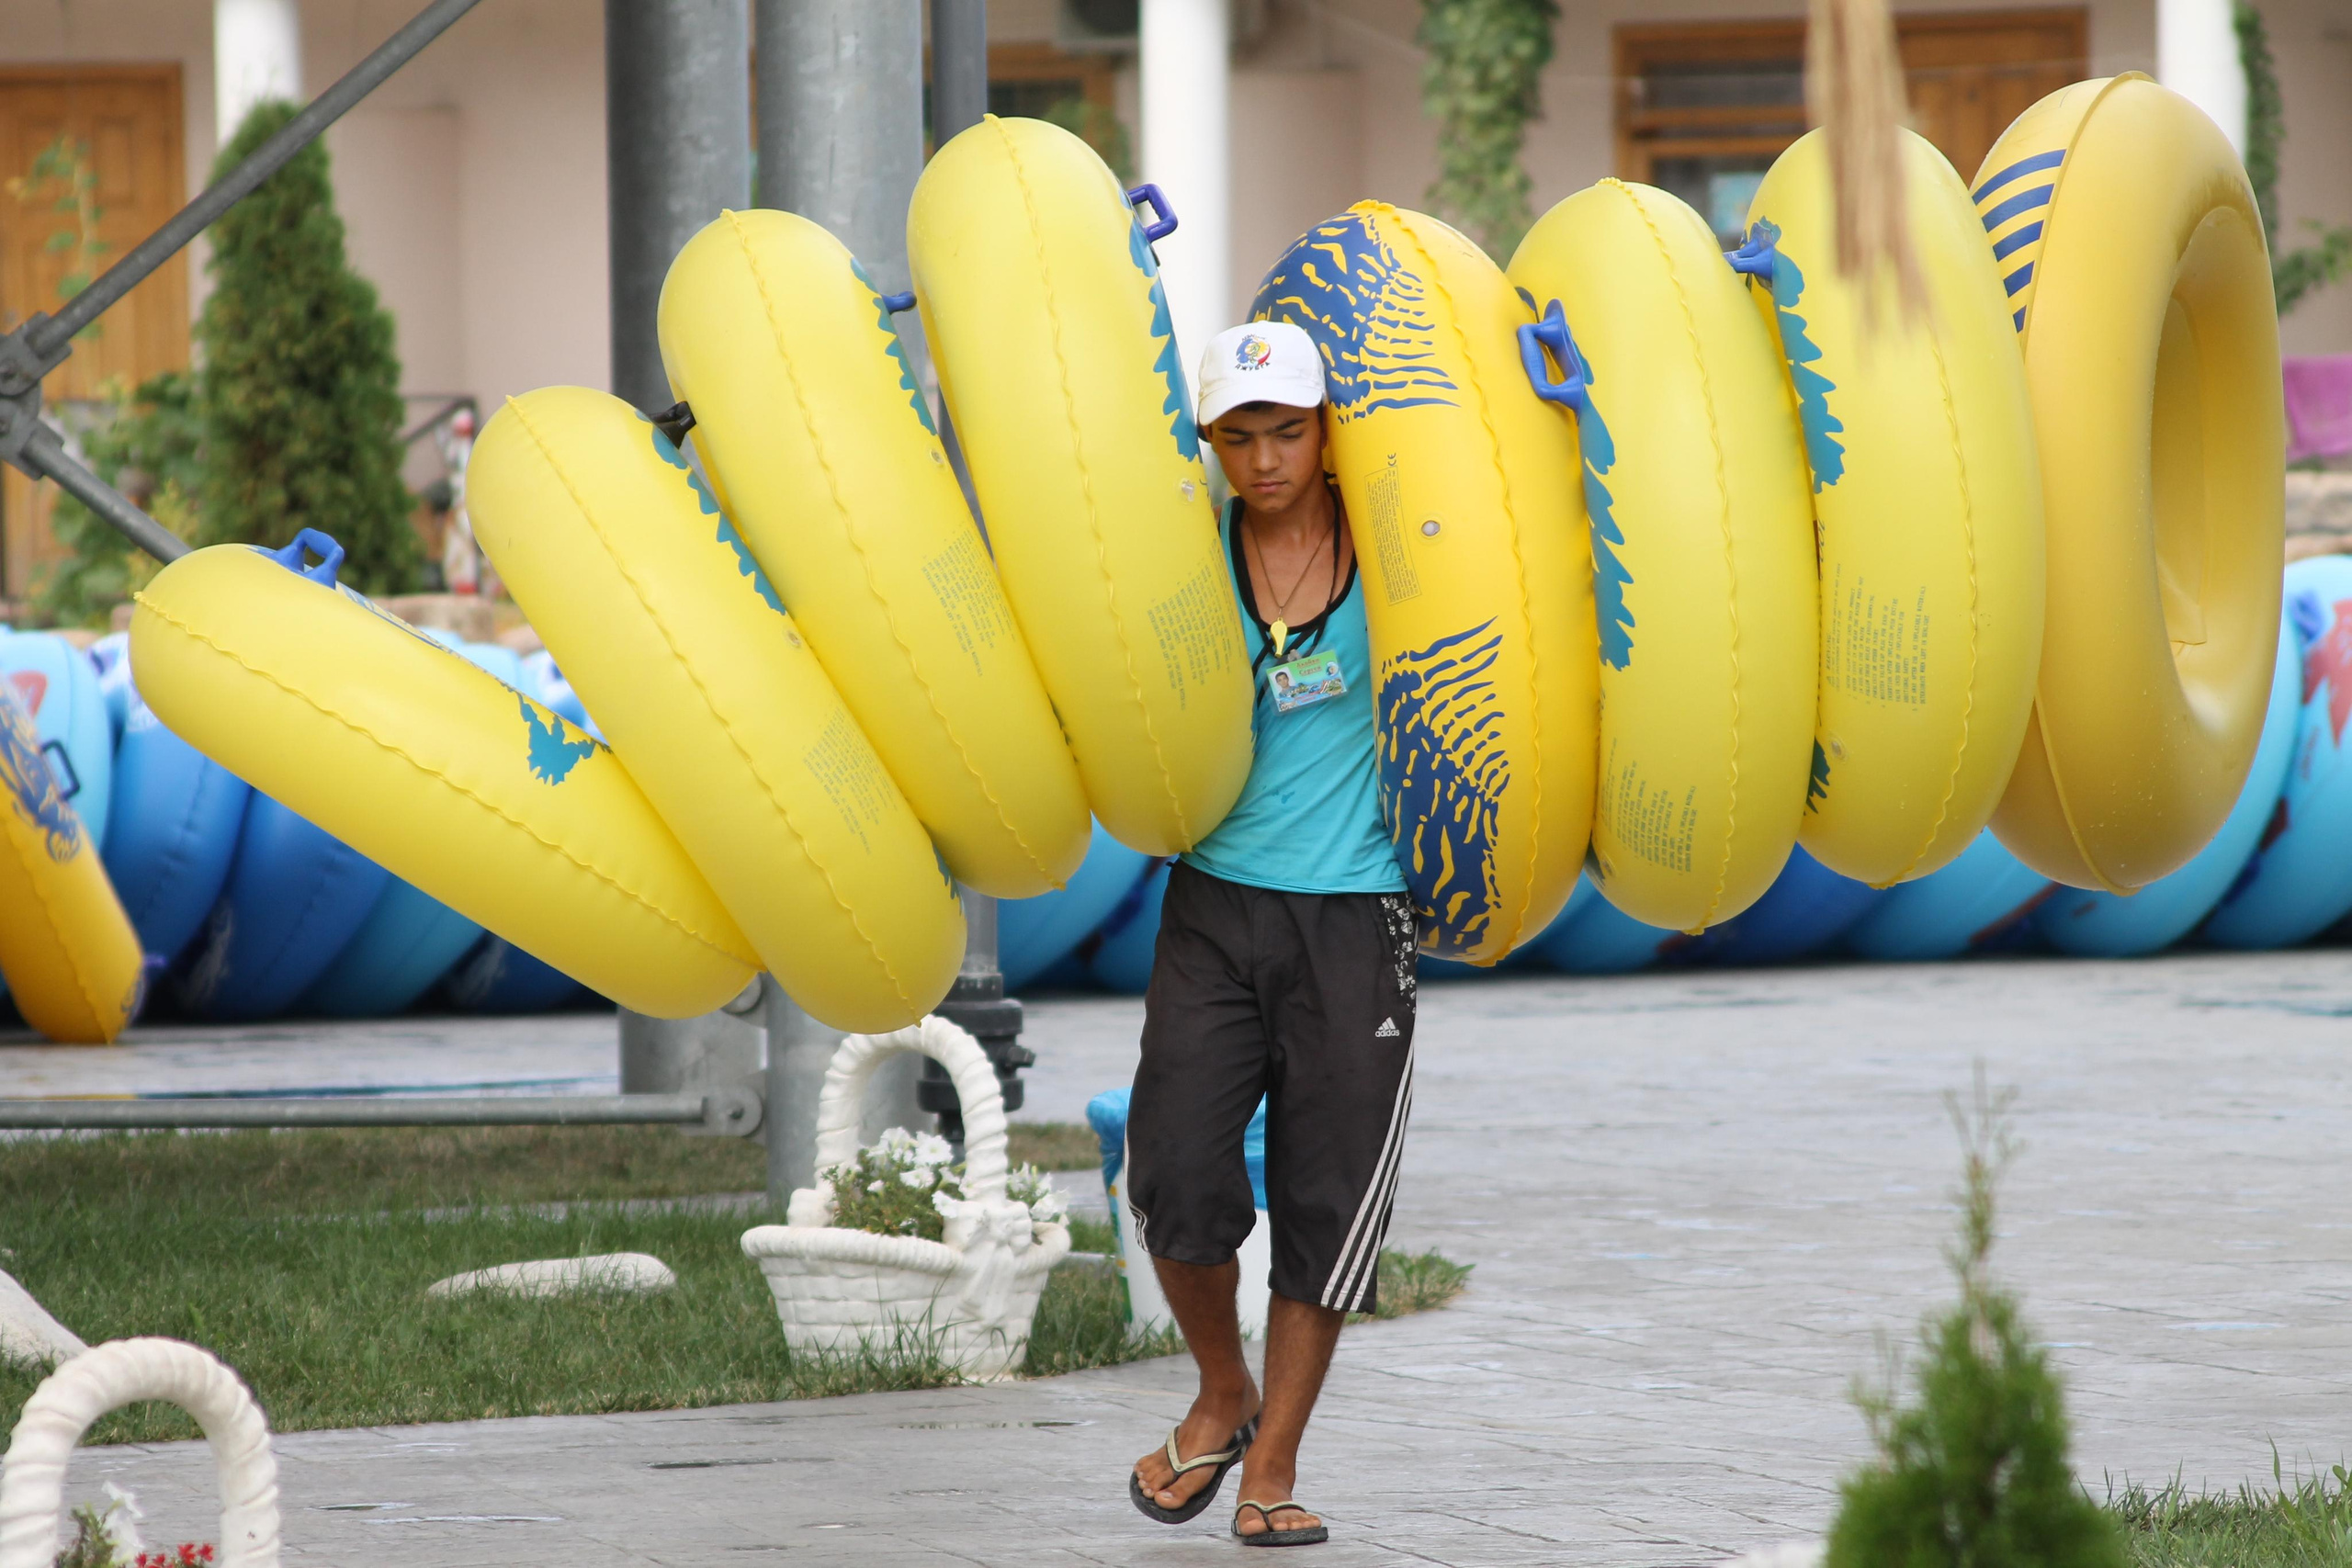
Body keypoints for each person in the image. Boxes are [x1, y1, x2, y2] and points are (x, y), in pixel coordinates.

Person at [1125, 321, 1418, 1549]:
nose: (1263, 460)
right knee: (1175, 1177)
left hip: (1360, 913)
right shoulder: (1188, 561)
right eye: (1237, 437)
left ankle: (1274, 1465)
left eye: (1285, 430)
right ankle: (1222, 1388)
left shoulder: (1404, 550)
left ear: (1326, 427)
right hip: (1213, 900)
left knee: (1326, 1201)